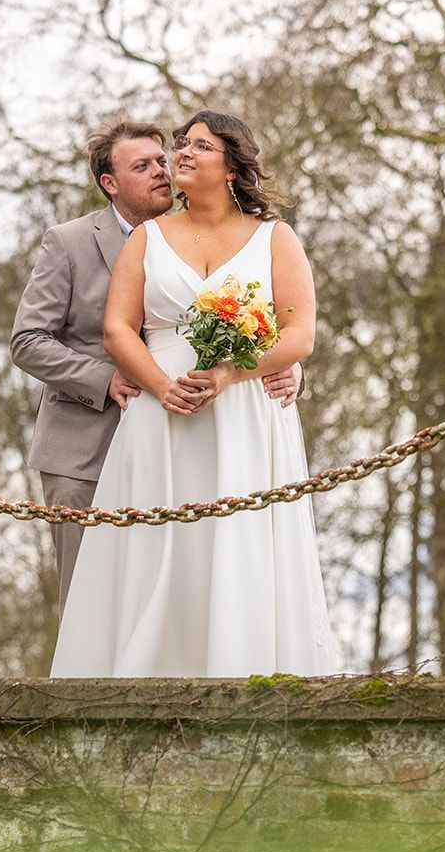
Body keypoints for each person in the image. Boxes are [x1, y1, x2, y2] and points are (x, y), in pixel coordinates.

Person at [50, 110, 336, 679]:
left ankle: (244, 673)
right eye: (181, 143)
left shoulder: (276, 238)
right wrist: (160, 388)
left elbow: (298, 332)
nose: (181, 152)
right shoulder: (148, 239)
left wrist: (235, 373)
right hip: (162, 416)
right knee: (161, 545)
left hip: (246, 416)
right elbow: (117, 330)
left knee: (239, 541)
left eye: (198, 146)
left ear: (232, 165)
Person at [11, 121, 301, 613]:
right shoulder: (70, 241)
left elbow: (275, 319)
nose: (161, 170)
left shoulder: (229, 237)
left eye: (161, 159)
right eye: (141, 166)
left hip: (192, 434)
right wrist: (106, 379)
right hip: (86, 447)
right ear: (110, 183)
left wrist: (282, 366)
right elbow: (27, 340)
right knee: (92, 604)